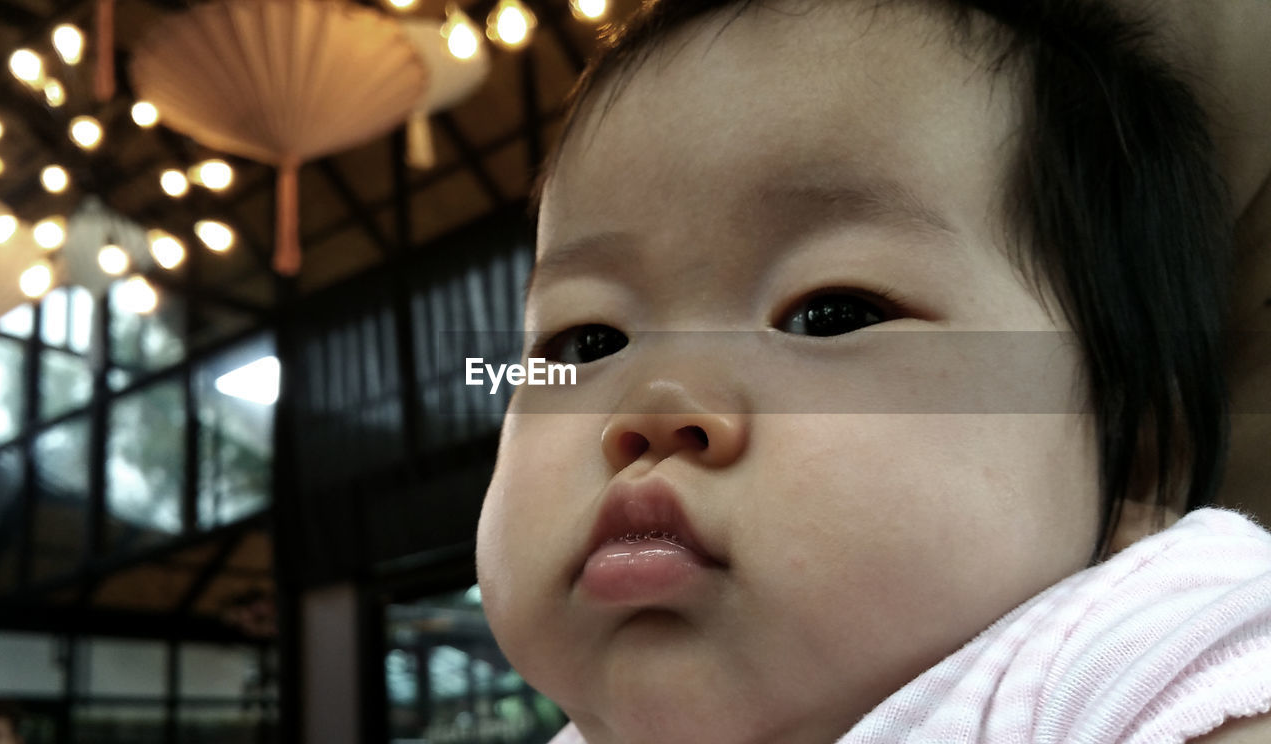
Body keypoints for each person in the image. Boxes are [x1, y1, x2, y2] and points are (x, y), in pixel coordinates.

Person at [473, 0, 1271, 742]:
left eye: (832, 313)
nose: (650, 407)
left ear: (1134, 457)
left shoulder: (1131, 647)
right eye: (586, 342)